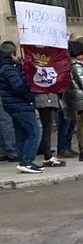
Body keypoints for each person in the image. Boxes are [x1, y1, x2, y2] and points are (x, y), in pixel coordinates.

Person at [0, 41, 43, 173]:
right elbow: (18, 87)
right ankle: (26, 161)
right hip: (20, 104)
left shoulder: (11, 67)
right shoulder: (9, 68)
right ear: (12, 54)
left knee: (22, 133)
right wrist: (31, 93)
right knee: (35, 132)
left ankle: (25, 160)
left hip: (15, 104)